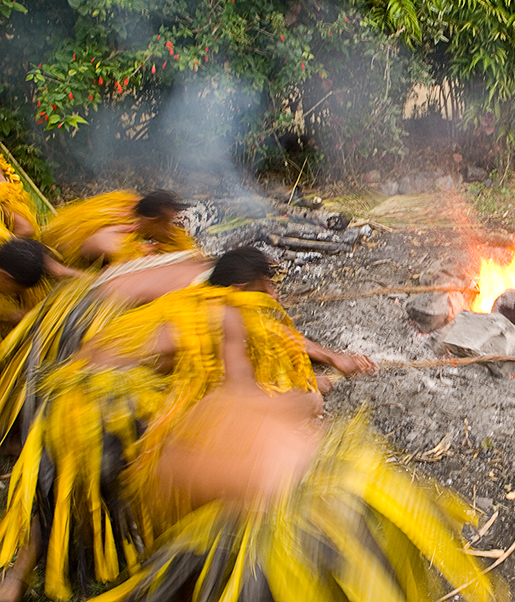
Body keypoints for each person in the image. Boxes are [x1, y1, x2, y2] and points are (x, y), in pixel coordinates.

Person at [0, 248, 376, 601]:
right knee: (195, 465)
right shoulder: (227, 314)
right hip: (110, 410)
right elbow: (238, 398)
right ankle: (177, 562)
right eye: (267, 288)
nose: (275, 297)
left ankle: (16, 578)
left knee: (49, 507)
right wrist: (303, 401)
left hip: (65, 398)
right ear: (243, 289)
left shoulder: (184, 301)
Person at [41, 189, 197, 269]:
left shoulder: (131, 206)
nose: (171, 230)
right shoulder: (119, 234)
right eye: (167, 224)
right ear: (153, 220)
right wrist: (138, 255)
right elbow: (90, 245)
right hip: (56, 262)